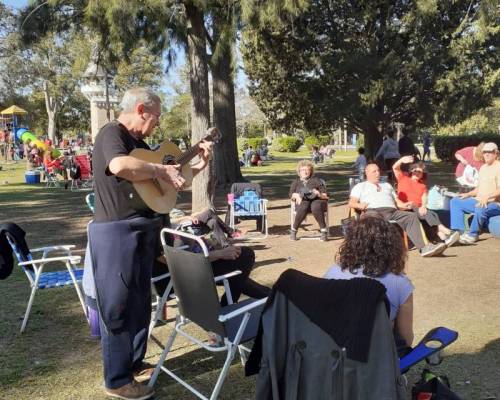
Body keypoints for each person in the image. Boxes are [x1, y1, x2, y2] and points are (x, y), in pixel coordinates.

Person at [88, 87, 213, 400]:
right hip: (117, 232)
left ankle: (133, 363)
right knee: (118, 306)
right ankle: (117, 380)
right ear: (141, 109)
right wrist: (161, 168)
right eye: (156, 116)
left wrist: (198, 165)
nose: (157, 123)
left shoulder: (140, 145)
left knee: (142, 302)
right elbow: (119, 166)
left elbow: (166, 185)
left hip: (145, 230)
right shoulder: (111, 134)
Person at [324, 215, 414, 348]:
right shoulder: (401, 284)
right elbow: (406, 340)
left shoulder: (332, 273)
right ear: (392, 247)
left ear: (351, 243)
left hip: (333, 355)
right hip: (377, 359)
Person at [348, 163, 447, 257]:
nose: (378, 173)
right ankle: (373, 251)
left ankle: (424, 248)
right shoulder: (360, 186)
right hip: (372, 211)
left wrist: (405, 205)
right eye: (374, 171)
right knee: (373, 221)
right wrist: (360, 205)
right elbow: (351, 203)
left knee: (411, 216)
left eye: (378, 171)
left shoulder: (387, 185)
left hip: (392, 211)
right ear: (367, 173)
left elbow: (397, 201)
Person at [393, 156, 459, 246]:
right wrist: (401, 160)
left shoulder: (422, 186)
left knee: (430, 214)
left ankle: (443, 238)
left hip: (418, 210)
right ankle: (446, 232)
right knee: (427, 214)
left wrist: (423, 206)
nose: (418, 173)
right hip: (405, 208)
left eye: (420, 171)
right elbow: (395, 168)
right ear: (411, 171)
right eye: (416, 170)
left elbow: (424, 198)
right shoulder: (403, 178)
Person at [450, 142, 500, 244]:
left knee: (480, 206)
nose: (486, 154)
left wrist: (487, 197)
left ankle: (473, 234)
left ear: (496, 153)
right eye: (484, 152)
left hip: (495, 204)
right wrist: (468, 194)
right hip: (479, 200)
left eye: (489, 152)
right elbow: (479, 188)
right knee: (455, 201)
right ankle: (459, 232)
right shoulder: (483, 168)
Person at [290, 160, 329, 241]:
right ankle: (294, 230)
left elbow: (326, 196)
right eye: (303, 170)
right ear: (299, 171)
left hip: (317, 201)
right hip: (302, 203)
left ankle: (323, 231)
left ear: (311, 171)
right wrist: (297, 195)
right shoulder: (296, 182)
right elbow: (291, 194)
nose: (305, 172)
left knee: (316, 206)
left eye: (307, 170)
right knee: (304, 205)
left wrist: (319, 194)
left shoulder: (317, 180)